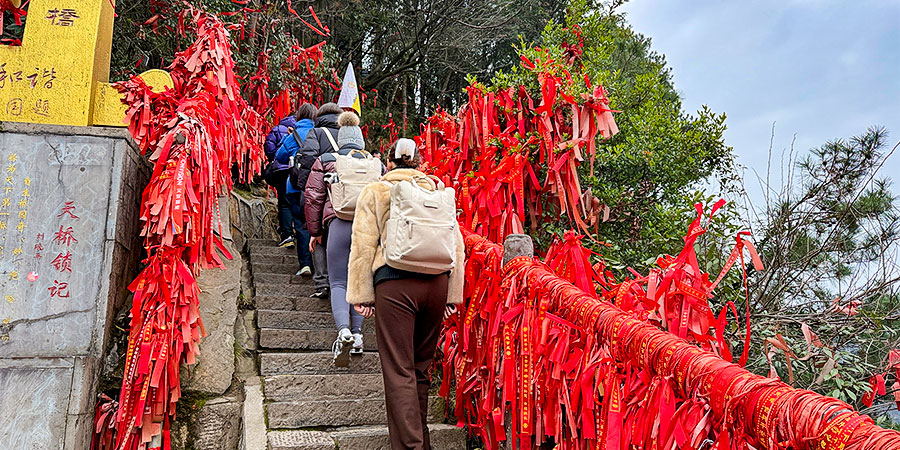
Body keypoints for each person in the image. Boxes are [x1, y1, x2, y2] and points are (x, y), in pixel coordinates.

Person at [347, 138, 465, 450]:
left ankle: (411, 447)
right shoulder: (437, 191)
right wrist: (453, 295)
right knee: (420, 369)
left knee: (398, 370)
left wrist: (361, 294)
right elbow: (457, 245)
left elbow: (362, 245)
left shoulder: (376, 190)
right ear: (420, 163)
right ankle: (419, 442)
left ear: (388, 163)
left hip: (395, 284)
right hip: (437, 284)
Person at [305, 111, 382, 366]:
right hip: (368, 228)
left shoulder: (326, 160)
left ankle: (343, 331)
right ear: (360, 139)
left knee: (338, 282)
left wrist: (314, 232)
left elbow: (313, 197)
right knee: (361, 281)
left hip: (337, 225)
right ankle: (359, 335)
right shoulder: (375, 163)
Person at [295, 102, 343, 299]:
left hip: (322, 192)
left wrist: (305, 188)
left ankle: (322, 283)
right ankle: (341, 282)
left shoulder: (316, 133)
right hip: (346, 194)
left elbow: (307, 160)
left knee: (318, 234)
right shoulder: (350, 133)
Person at [274, 103, 317, 276]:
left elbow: (279, 156)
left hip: (295, 186)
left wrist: (288, 140)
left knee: (300, 224)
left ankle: (305, 264)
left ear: (298, 116)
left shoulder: (293, 135)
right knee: (316, 225)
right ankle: (320, 267)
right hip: (316, 186)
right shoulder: (320, 134)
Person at [263, 109, 299, 247]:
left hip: (281, 171)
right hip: (298, 170)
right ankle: (299, 233)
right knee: (299, 201)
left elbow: (269, 149)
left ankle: (287, 235)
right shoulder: (307, 130)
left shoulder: (278, 129)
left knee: (284, 203)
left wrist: (275, 159)